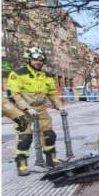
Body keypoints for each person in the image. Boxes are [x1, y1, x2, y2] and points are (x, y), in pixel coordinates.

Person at [5, 46, 64, 176]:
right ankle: (21, 165)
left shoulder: (46, 75)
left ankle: (51, 160)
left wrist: (59, 105)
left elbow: (52, 92)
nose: (38, 62)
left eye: (41, 60)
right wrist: (26, 108)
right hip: (22, 110)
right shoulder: (18, 74)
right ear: (28, 60)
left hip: (40, 109)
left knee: (49, 134)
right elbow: (13, 94)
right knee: (25, 137)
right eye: (35, 59)